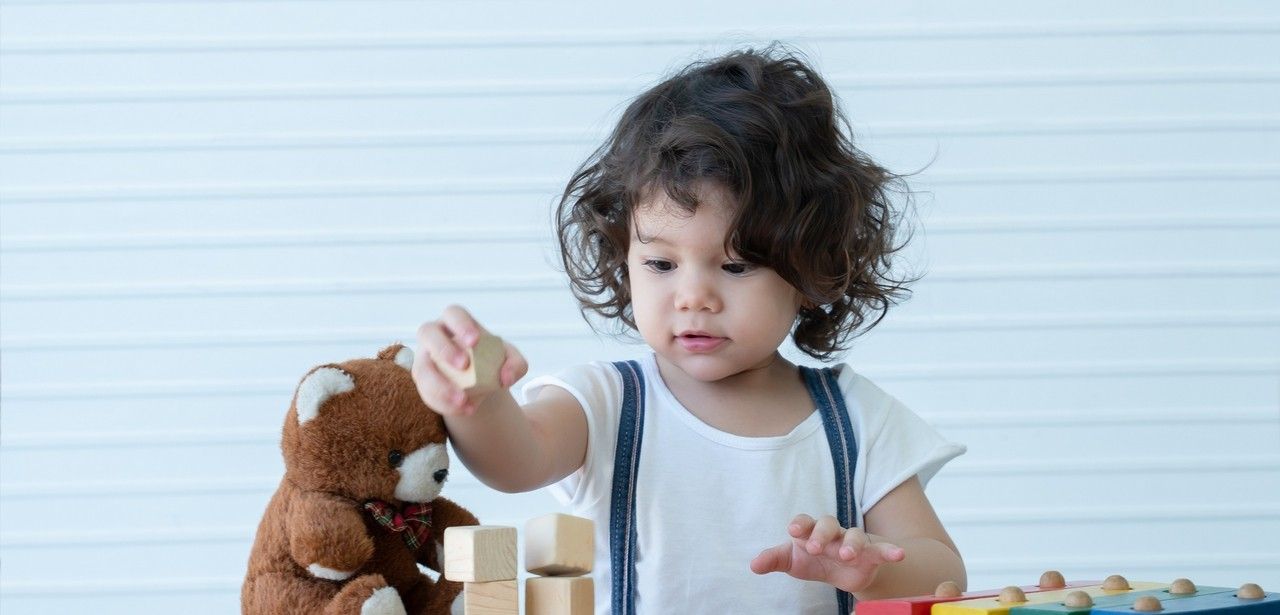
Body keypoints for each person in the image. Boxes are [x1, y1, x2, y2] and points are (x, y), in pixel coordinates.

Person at [411, 46, 967, 615]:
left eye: (735, 266)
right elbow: (515, 461)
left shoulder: (856, 419)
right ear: (623, 256)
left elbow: (943, 569)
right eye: (660, 264)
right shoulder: (608, 403)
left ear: (809, 270)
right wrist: (475, 397)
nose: (693, 296)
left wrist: (872, 565)